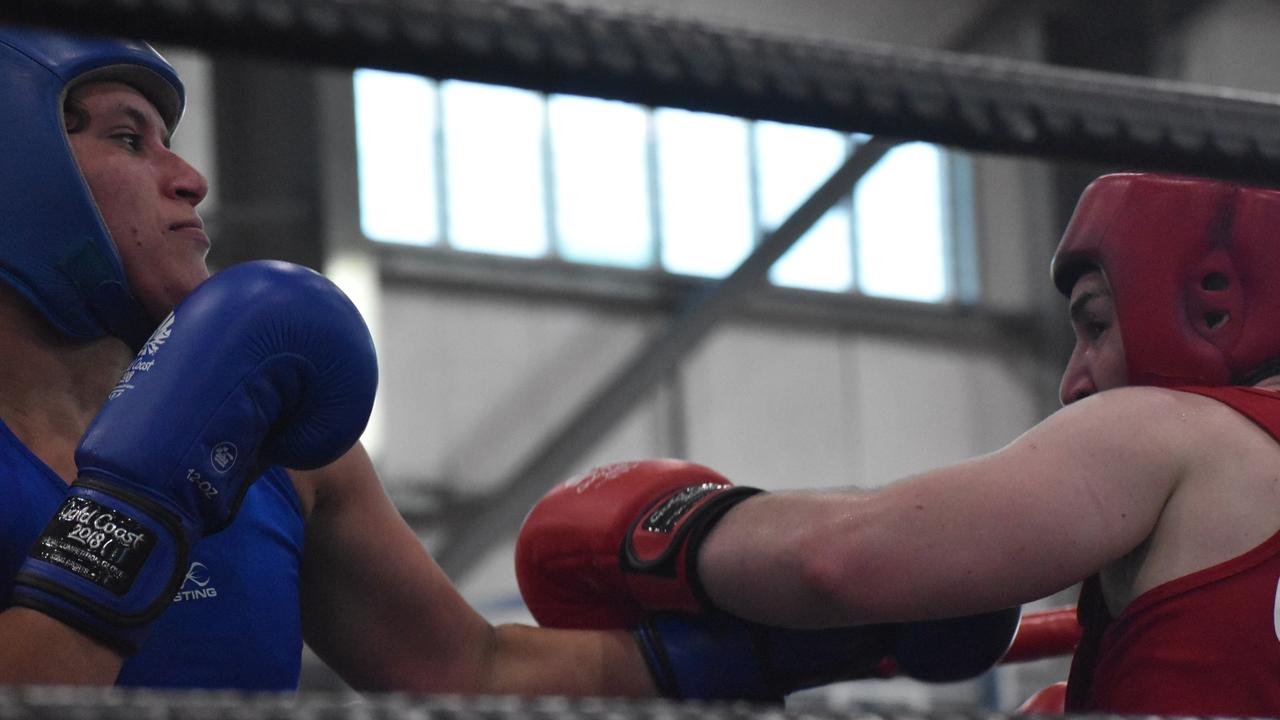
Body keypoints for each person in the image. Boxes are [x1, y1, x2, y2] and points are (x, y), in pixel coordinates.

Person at [0, 25, 1012, 702]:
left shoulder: (278, 444)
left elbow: (463, 664)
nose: (189, 177)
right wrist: (138, 505)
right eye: (129, 139)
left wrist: (776, 643)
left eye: (170, 139)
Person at [517, 171, 1280, 715]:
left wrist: (661, 528)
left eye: (1094, 323)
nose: (1073, 381)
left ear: (1211, 307)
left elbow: (838, 559)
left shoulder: (1177, 429)